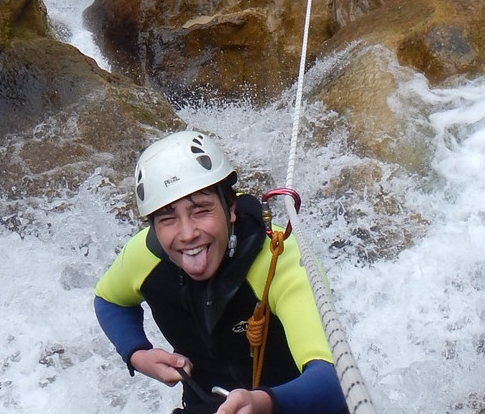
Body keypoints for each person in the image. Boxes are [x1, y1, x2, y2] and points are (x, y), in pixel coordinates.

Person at [94, 130, 348, 414]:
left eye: (201, 210)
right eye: (167, 218)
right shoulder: (146, 255)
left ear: (231, 208)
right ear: (153, 226)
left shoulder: (281, 260)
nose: (187, 234)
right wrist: (137, 353)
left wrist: (262, 402)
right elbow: (108, 299)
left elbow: (336, 382)